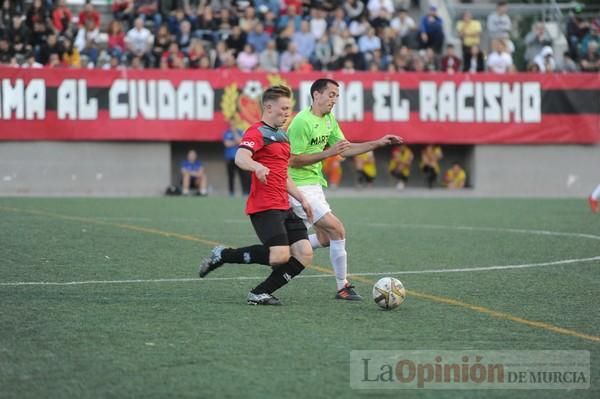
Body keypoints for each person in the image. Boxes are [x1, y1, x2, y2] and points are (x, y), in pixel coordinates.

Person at [287, 78, 402, 300]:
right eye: (331, 94)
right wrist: (328, 153)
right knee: (338, 229)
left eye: (337, 96)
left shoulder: (329, 119)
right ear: (316, 95)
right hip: (297, 187)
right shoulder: (302, 121)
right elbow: (293, 160)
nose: (334, 99)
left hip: (315, 185)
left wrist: (378, 142)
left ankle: (283, 249)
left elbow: (346, 150)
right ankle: (343, 287)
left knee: (326, 239)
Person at [198, 85, 314, 306]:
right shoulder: (256, 132)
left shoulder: (282, 136)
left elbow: (283, 174)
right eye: (284, 108)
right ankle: (223, 255)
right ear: (268, 107)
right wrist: (256, 167)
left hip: (284, 205)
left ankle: (260, 292)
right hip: (265, 206)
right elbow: (240, 158)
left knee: (304, 253)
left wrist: (302, 198)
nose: (288, 113)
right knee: (279, 256)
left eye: (289, 108)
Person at [223, 122, 251, 196]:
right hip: (230, 158)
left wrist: (234, 133)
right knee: (231, 176)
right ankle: (231, 192)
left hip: (240, 158)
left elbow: (240, 142)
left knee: (243, 175)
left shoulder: (240, 132)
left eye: (234, 124)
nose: (232, 126)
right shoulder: (226, 133)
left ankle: (245, 192)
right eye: (231, 124)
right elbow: (227, 144)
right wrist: (236, 142)